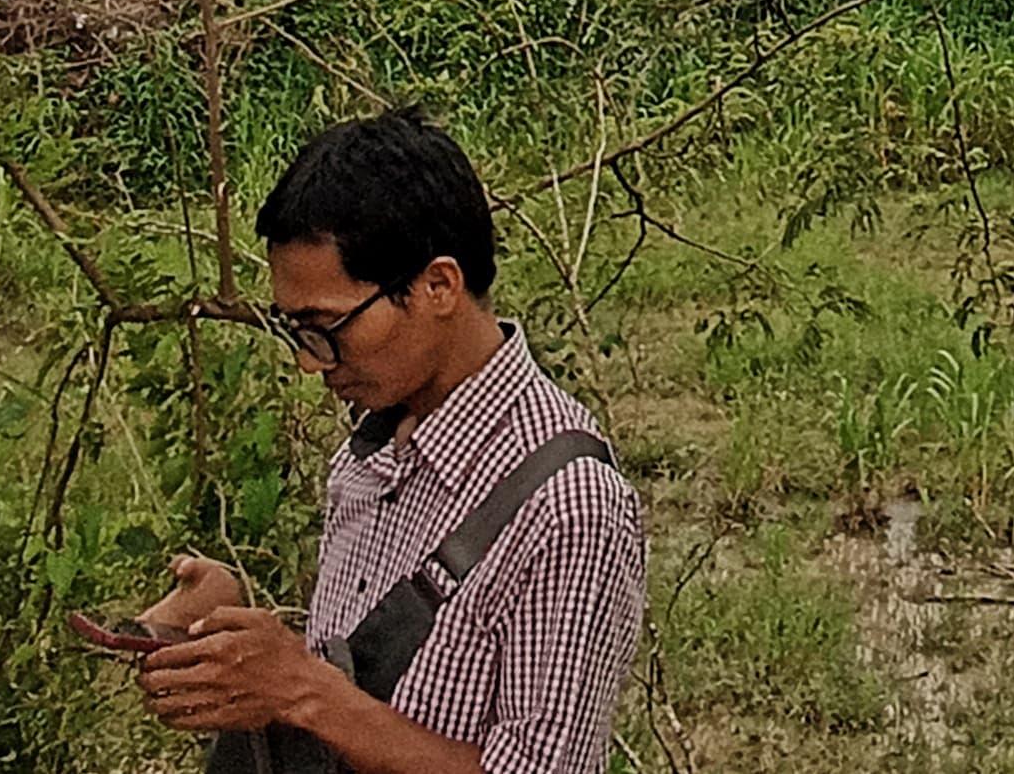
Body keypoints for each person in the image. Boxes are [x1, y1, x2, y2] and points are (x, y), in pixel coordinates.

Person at [133, 109, 647, 774]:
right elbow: (368, 693)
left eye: (328, 325)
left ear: (437, 285)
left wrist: (300, 688)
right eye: (296, 329)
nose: (310, 361)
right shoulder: (370, 455)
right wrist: (227, 639)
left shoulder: (570, 506)